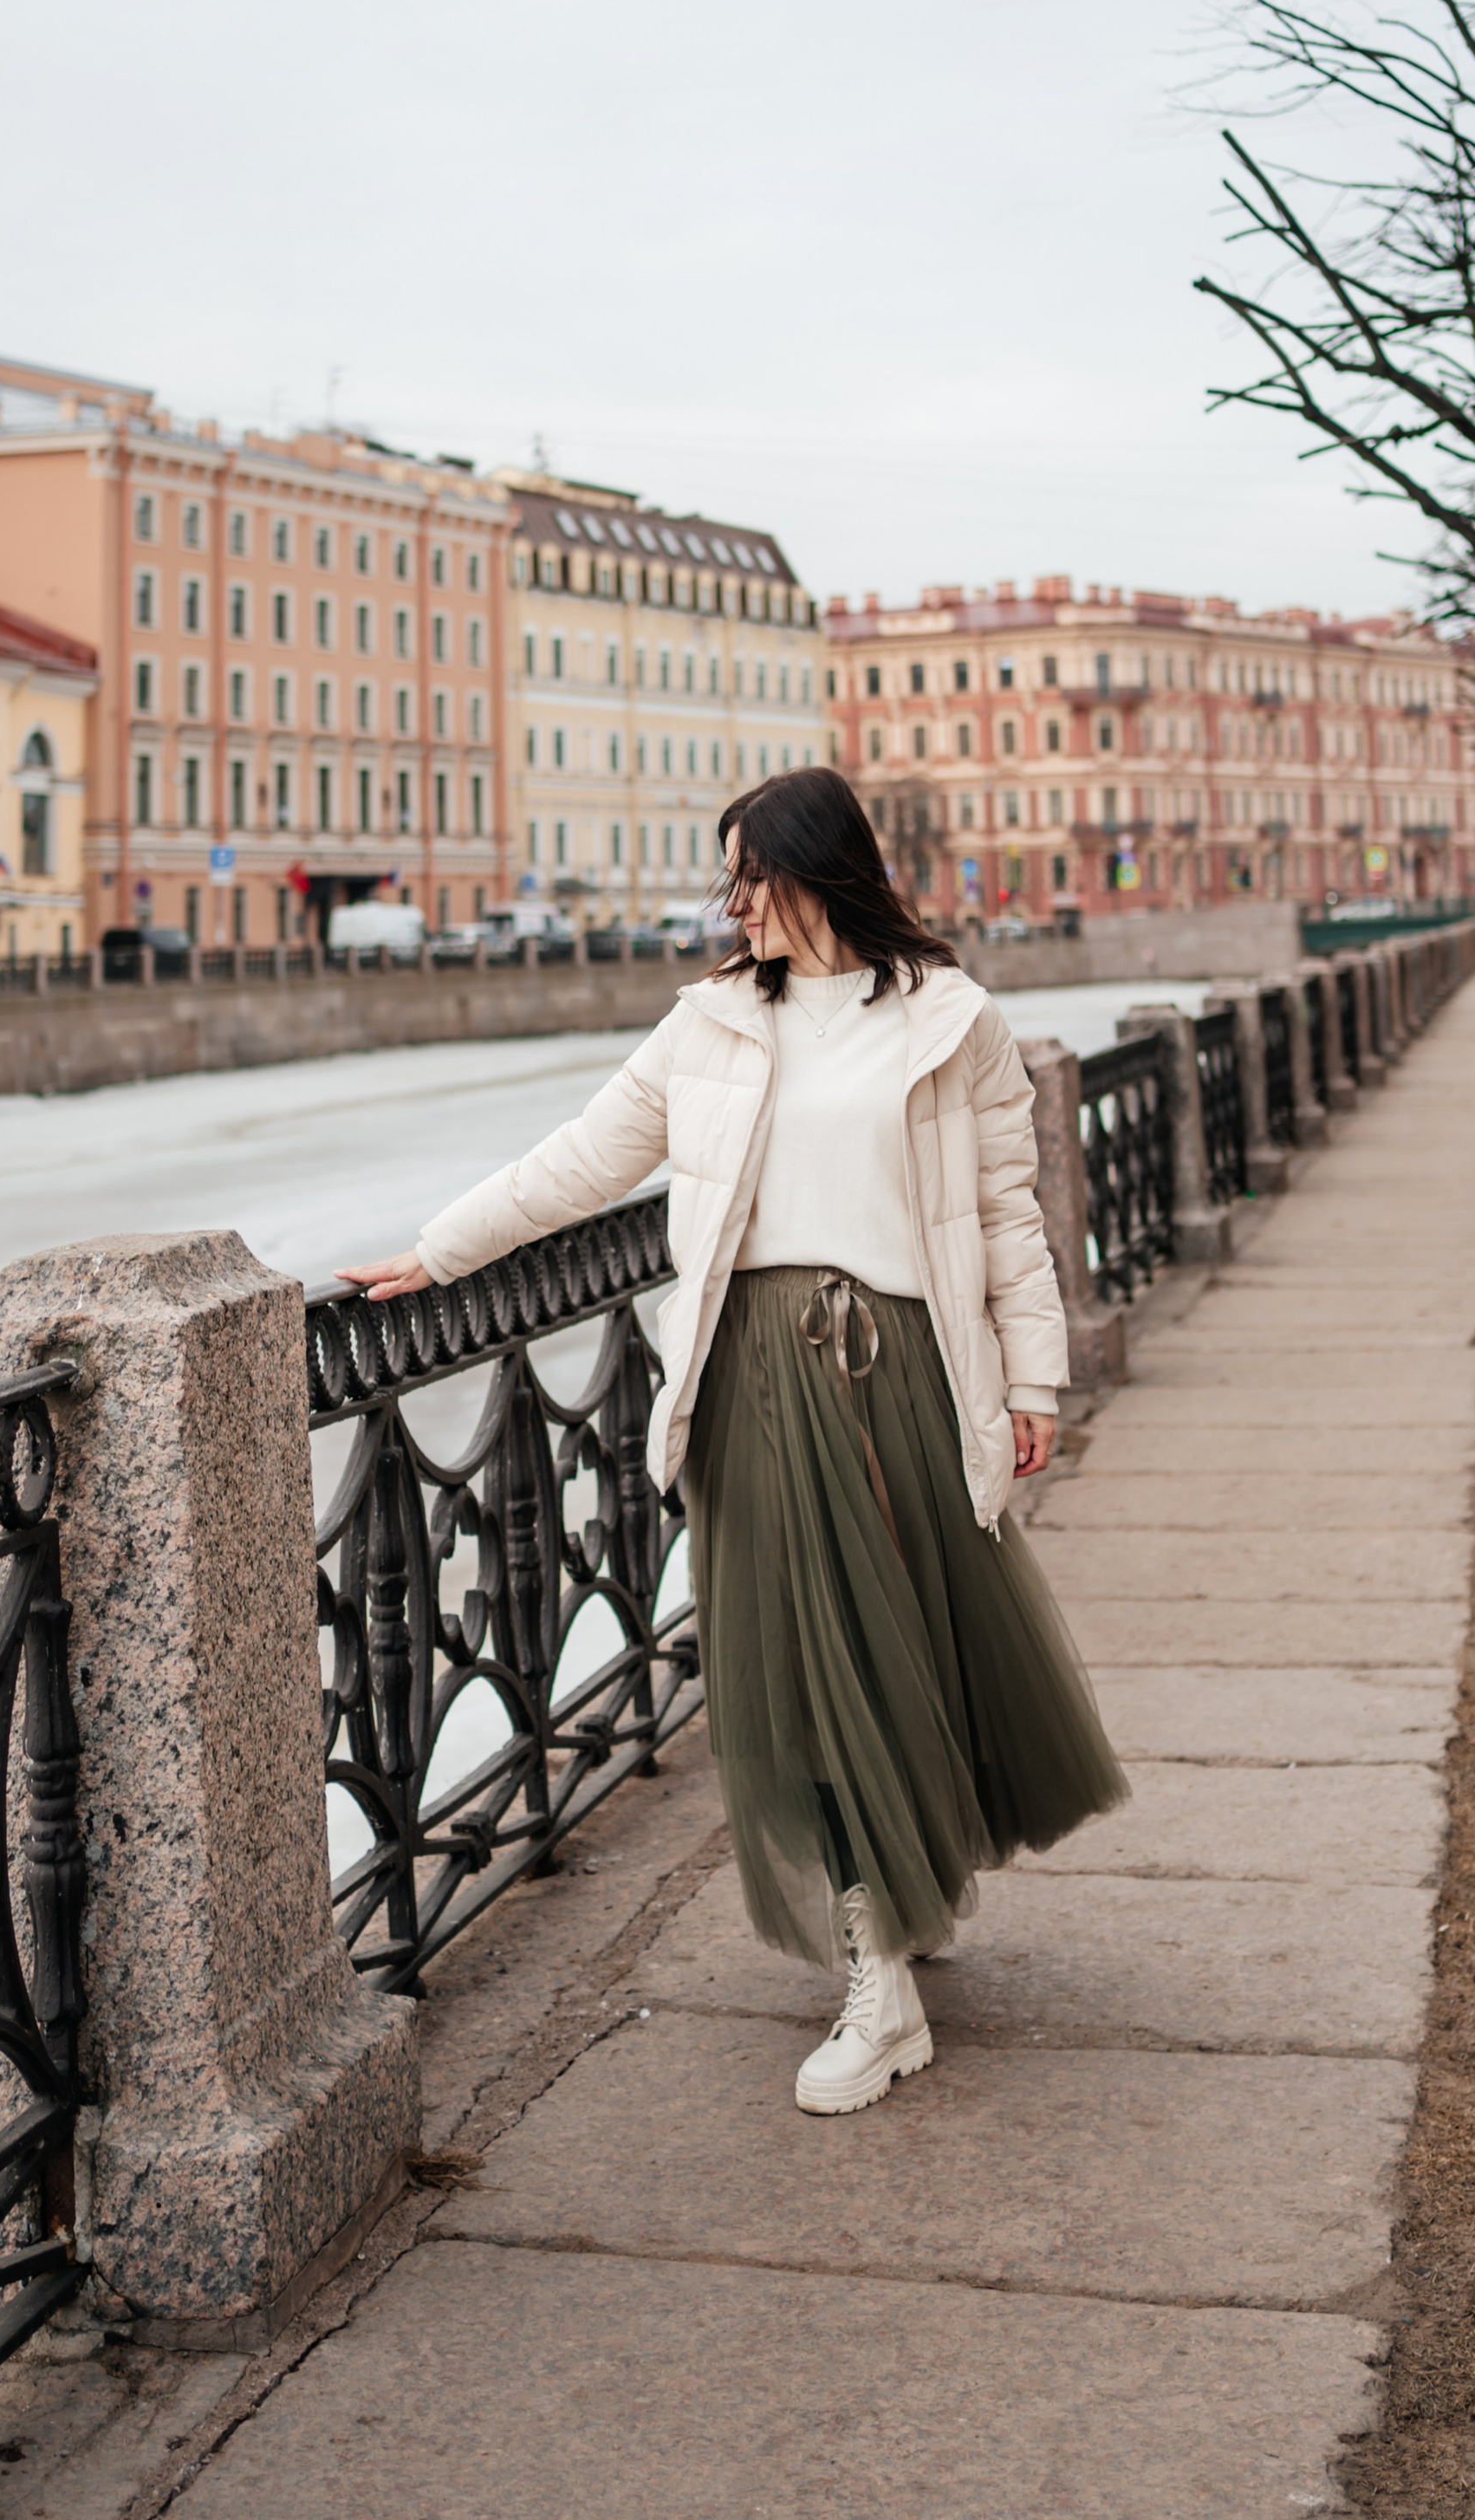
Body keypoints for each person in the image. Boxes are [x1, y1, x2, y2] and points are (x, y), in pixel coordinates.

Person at [342, 764, 1127, 2116]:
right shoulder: (709, 1025)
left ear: (822, 870)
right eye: (731, 880)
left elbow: (1007, 1213)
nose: (735, 904)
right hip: (758, 1381)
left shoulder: (951, 1020)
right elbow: (584, 1160)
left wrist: (1033, 1384)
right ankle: (879, 1979)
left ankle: (896, 1907)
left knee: (907, 1652)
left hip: (906, 1376)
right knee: (811, 1675)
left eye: (753, 876)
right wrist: (439, 1250)